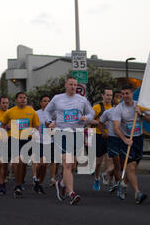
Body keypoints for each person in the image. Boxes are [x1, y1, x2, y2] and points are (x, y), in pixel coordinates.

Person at [45, 76, 95, 205]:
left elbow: (91, 113)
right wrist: (50, 122)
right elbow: (47, 111)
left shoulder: (82, 100)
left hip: (77, 133)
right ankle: (71, 193)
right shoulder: (57, 98)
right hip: (62, 133)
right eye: (71, 84)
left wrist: (86, 118)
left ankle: (61, 183)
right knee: (67, 164)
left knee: (73, 165)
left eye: (75, 85)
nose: (73, 87)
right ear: (65, 85)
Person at [113, 86, 150, 204]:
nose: (125, 96)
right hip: (125, 140)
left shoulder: (139, 105)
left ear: (132, 94)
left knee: (133, 167)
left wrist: (141, 114)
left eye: (127, 93)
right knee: (130, 167)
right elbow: (116, 127)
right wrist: (124, 139)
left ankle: (123, 184)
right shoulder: (119, 108)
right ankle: (138, 193)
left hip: (138, 139)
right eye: (123, 94)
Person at [2, 92, 40, 199]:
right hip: (14, 139)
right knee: (16, 162)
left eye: (24, 98)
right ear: (16, 100)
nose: (23, 99)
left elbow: (37, 126)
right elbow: (3, 125)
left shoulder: (31, 112)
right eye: (20, 98)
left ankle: (20, 181)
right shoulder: (10, 112)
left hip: (26, 139)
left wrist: (32, 132)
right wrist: (8, 127)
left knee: (23, 164)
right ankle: (17, 186)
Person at [90, 89, 114, 191]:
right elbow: (89, 120)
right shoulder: (97, 107)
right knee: (99, 161)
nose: (109, 97)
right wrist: (101, 123)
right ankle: (96, 178)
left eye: (110, 95)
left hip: (110, 136)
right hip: (98, 135)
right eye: (107, 95)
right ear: (103, 96)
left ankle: (108, 176)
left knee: (111, 158)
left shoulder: (114, 108)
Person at [99, 102, 122, 193]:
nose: (119, 99)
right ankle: (118, 186)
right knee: (117, 165)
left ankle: (108, 173)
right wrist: (104, 132)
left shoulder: (126, 111)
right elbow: (100, 123)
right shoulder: (108, 112)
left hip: (123, 139)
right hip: (112, 140)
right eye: (117, 97)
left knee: (122, 165)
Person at [32, 95, 54, 195]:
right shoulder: (36, 113)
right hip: (38, 141)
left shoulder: (54, 114)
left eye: (49, 101)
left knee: (44, 164)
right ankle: (35, 177)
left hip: (50, 141)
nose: (47, 103)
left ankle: (40, 184)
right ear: (41, 103)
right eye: (44, 101)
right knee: (40, 162)